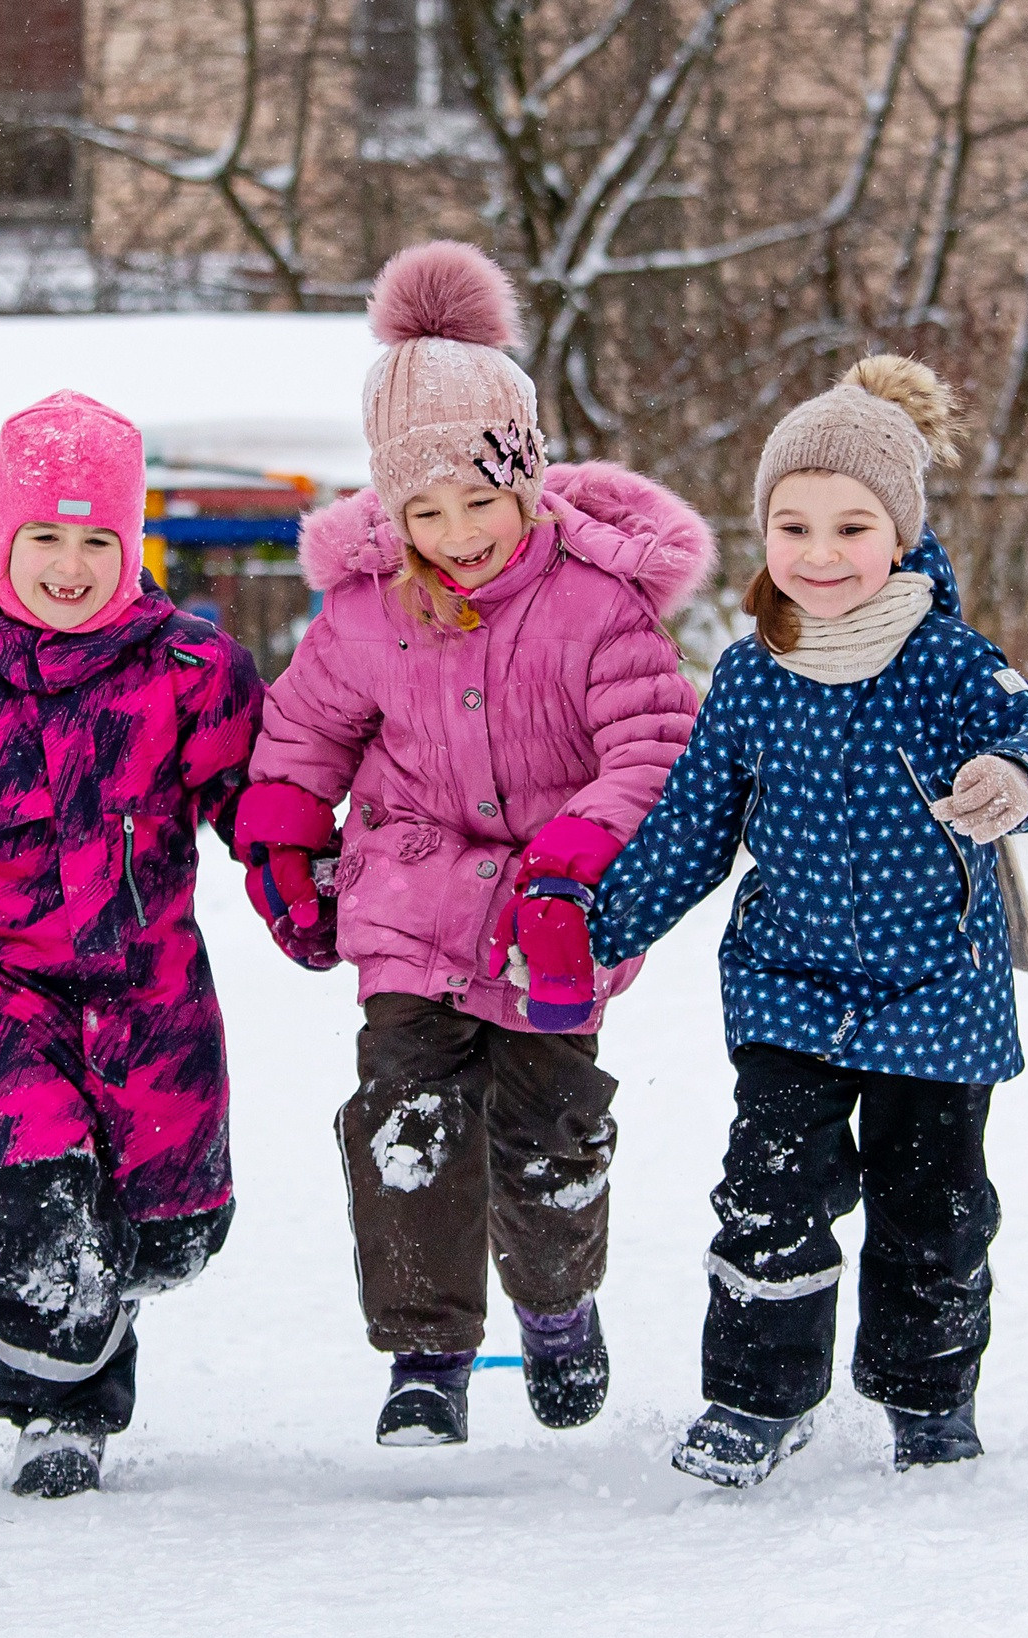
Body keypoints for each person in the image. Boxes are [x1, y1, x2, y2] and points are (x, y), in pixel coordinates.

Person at [237, 240, 714, 1449]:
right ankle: (426, 1358)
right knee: (404, 1122)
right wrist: (285, 842)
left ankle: (557, 1309)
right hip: (407, 897)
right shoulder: (366, 608)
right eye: (423, 510)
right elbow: (302, 730)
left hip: (555, 919)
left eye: (478, 502)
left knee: (546, 1134)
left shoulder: (598, 602)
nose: (455, 534)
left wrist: (573, 864)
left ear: (529, 481)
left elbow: (653, 751)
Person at [589, 356, 1028, 1486]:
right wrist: (596, 929)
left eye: (851, 526)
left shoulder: (949, 664)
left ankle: (926, 1399)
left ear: (901, 534)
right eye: (793, 525)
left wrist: (1014, 775)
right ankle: (754, 1400)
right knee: (768, 1196)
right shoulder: (751, 676)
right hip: (789, 985)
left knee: (933, 1210)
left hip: (934, 991)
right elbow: (690, 828)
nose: (819, 554)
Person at [0, 390, 263, 1498]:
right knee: (39, 1209)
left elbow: (255, 800)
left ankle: (109, 1295)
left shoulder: (187, 669)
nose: (69, 565)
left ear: (131, 547)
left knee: (165, 1229)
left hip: (151, 989)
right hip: (7, 990)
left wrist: (306, 874)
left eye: (97, 540)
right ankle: (54, 1409)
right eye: (45, 537)